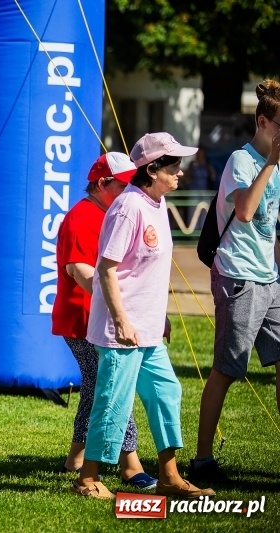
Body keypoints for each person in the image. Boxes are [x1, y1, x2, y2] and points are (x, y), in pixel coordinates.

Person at [72, 132, 214, 499]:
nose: (180, 173)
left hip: (148, 328)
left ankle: (169, 476)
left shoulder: (157, 204)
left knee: (167, 391)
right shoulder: (128, 207)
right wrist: (121, 320)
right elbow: (106, 269)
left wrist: (159, 315)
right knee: (113, 401)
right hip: (123, 329)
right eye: (174, 166)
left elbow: (149, 271)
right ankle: (87, 478)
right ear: (152, 169)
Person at [191, 80, 280, 483]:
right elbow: (245, 212)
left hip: (269, 278)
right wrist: (271, 164)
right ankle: (203, 460)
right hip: (238, 277)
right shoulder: (240, 162)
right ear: (263, 122)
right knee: (227, 370)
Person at [52, 152, 156, 488]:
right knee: (112, 386)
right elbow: (79, 271)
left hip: (100, 316)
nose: (131, 190)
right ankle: (130, 464)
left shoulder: (111, 211)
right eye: (125, 184)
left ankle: (76, 458)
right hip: (84, 319)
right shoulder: (82, 217)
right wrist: (118, 308)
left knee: (97, 387)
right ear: (102, 184)